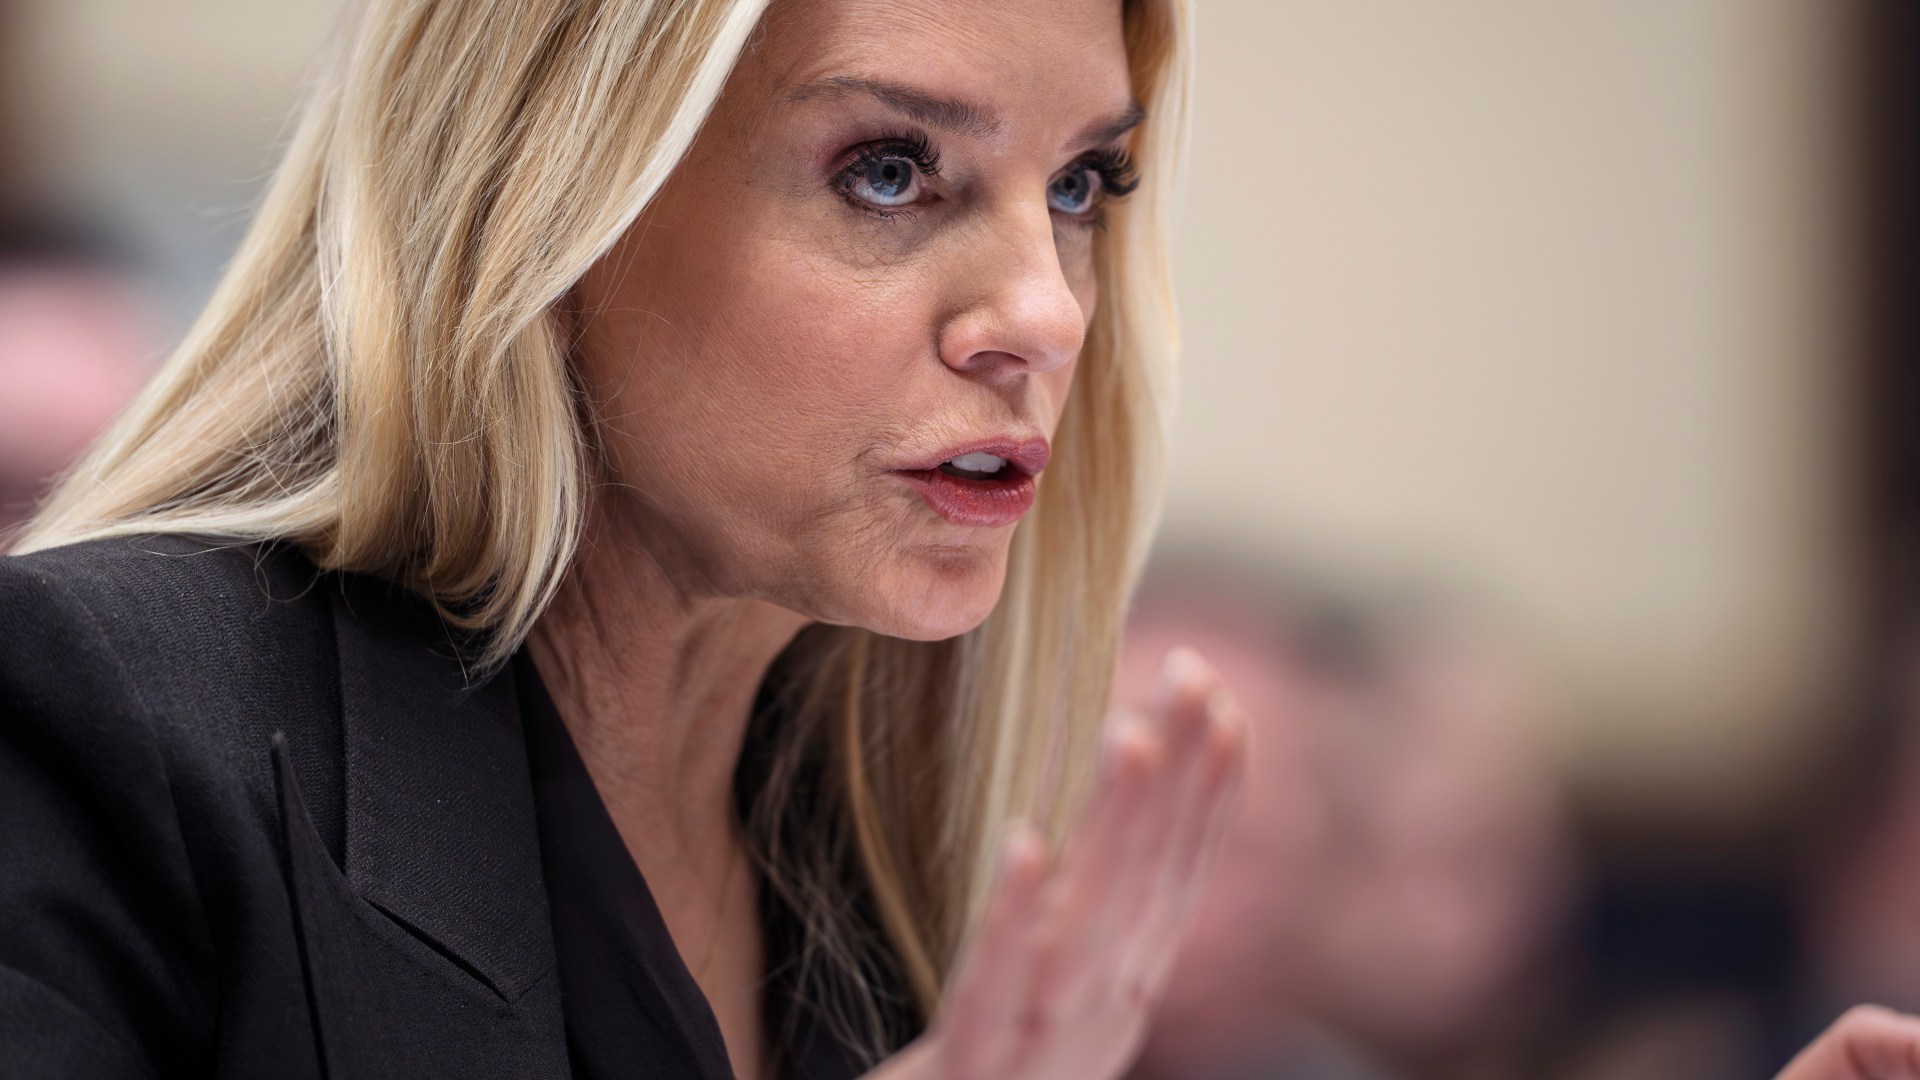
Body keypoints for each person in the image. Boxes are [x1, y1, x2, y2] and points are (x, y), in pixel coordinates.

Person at [0, 2, 1913, 1079]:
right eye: (893, 170)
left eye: (1082, 186)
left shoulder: (897, 845)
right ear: (550, 205)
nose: (1046, 313)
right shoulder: (98, 719)